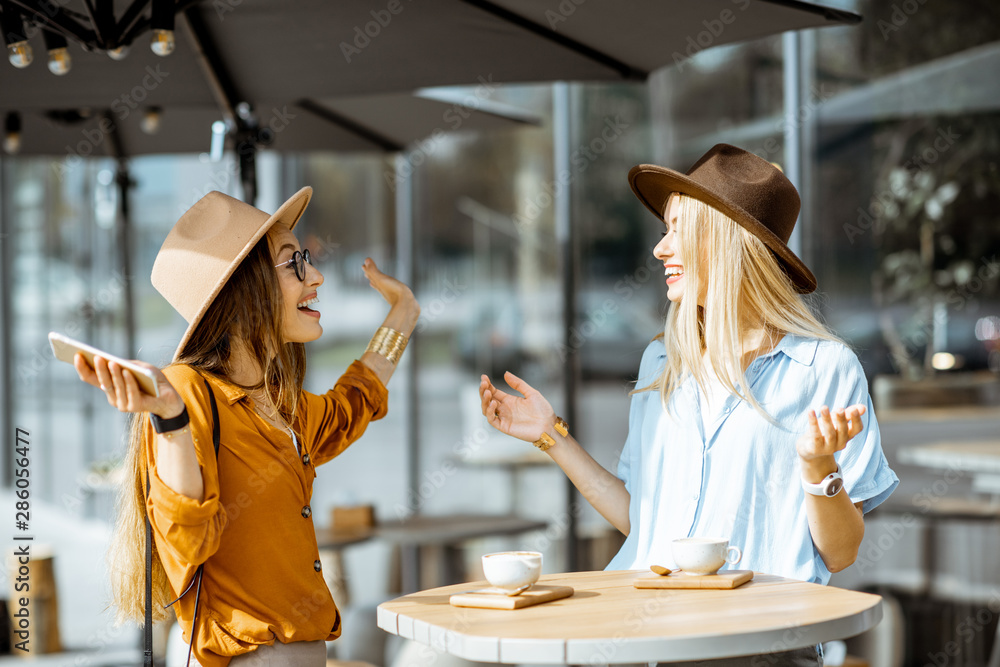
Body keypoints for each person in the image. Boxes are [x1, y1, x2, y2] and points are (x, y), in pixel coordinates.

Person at [479, 144, 898, 666]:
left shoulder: (824, 369)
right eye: (663, 230)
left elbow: (840, 552)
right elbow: (645, 520)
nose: (660, 249)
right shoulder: (662, 361)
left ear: (725, 241)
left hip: (757, 646)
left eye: (678, 229)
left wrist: (818, 467)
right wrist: (551, 436)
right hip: (638, 640)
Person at [72, 187, 419, 667]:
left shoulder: (277, 404)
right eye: (294, 262)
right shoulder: (187, 391)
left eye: (308, 258)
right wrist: (169, 418)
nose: (315, 275)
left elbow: (352, 404)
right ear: (244, 286)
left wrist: (403, 316)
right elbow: (187, 541)